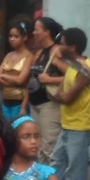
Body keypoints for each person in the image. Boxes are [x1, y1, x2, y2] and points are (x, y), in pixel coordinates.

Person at [50, 28, 90, 180]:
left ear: (72, 47)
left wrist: (62, 95)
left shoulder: (86, 67)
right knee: (57, 164)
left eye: (62, 44)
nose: (58, 47)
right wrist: (62, 95)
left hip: (80, 125)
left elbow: (67, 97)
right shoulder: (72, 65)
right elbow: (60, 93)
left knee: (75, 170)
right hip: (68, 123)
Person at [28, 16, 64, 163]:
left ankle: (53, 176)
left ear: (47, 32)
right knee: (38, 146)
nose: (34, 33)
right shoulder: (40, 53)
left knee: (49, 146)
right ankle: (41, 176)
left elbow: (74, 76)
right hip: (34, 104)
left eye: (36, 29)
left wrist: (50, 80)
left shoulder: (57, 51)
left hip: (49, 104)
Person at [0, 18, 34, 121]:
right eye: (10, 36)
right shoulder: (9, 55)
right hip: (5, 101)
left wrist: (4, 76)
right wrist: (14, 81)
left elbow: (21, 80)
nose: (12, 39)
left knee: (18, 128)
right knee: (6, 129)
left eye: (16, 36)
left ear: (25, 37)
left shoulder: (29, 56)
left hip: (20, 102)